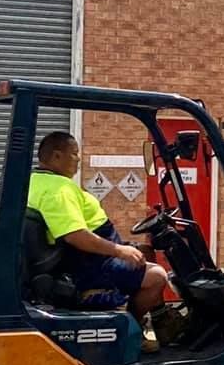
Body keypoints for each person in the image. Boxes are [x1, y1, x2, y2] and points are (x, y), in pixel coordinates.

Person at [27, 131, 179, 348]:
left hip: (87, 259)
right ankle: (132, 332)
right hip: (89, 265)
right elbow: (75, 236)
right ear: (57, 156)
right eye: (74, 154)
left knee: (144, 252)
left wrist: (123, 248)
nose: (78, 159)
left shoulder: (36, 182)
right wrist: (119, 250)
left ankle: (161, 319)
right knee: (157, 275)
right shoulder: (59, 190)